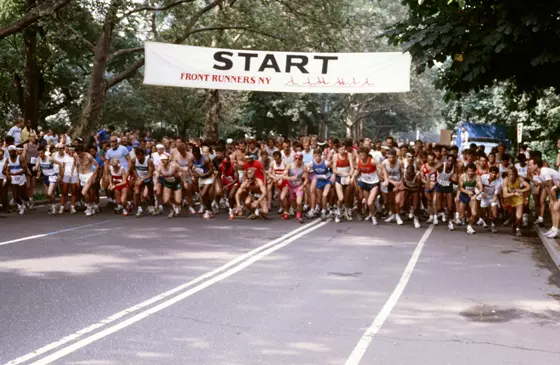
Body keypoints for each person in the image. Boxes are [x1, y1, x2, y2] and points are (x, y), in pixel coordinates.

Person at [353, 147, 380, 225]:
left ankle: (374, 217)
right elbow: (357, 170)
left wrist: (384, 178)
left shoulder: (372, 161)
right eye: (360, 155)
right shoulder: (359, 161)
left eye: (363, 155)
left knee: (370, 202)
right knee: (368, 203)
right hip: (365, 183)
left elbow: (382, 167)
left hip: (374, 183)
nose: (362, 157)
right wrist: (354, 177)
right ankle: (370, 214)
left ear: (367, 155)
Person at [502, 168, 531, 236]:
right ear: (507, 175)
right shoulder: (505, 180)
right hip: (509, 198)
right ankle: (514, 224)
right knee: (512, 215)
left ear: (516, 175)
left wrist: (521, 191)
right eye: (510, 174)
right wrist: (514, 193)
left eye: (513, 174)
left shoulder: (519, 178)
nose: (512, 176)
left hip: (518, 198)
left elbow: (529, 187)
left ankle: (518, 228)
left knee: (519, 216)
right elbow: (504, 195)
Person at [35, 146, 63, 214]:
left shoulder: (50, 159)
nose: (40, 155)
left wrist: (59, 174)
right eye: (39, 153)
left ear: (44, 152)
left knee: (49, 193)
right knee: (48, 195)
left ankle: (54, 206)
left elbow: (60, 164)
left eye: (41, 153)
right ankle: (53, 206)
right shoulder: (39, 158)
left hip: (52, 177)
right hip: (45, 177)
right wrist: (37, 170)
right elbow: (37, 167)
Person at [308, 148, 333, 221]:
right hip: (319, 181)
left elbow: (333, 170)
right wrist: (308, 170)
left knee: (324, 195)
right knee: (319, 200)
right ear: (313, 156)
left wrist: (332, 181)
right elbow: (307, 171)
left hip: (327, 181)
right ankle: (321, 208)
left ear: (321, 155)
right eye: (316, 156)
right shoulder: (311, 163)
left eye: (319, 156)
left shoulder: (326, 163)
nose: (317, 158)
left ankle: (324, 211)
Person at [3, 145, 30, 215]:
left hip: (21, 178)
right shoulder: (7, 159)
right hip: (13, 178)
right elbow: (4, 170)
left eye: (12, 152)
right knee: (15, 196)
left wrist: (16, 173)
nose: (11, 153)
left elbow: (24, 170)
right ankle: (22, 206)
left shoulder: (20, 158)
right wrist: (8, 174)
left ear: (15, 151)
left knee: (22, 195)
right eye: (9, 152)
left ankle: (27, 200)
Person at [333, 140, 355, 222]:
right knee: (341, 198)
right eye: (340, 150)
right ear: (338, 150)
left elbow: (352, 167)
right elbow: (334, 170)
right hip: (339, 178)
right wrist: (342, 173)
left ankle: (346, 212)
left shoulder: (349, 155)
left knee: (347, 198)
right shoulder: (335, 156)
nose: (342, 151)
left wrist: (349, 175)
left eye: (343, 149)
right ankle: (338, 212)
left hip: (347, 178)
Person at [458, 163, 483, 234]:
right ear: (466, 171)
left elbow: (481, 188)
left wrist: (476, 195)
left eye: (472, 171)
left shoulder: (477, 177)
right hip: (463, 195)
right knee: (461, 216)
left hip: (472, 196)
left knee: (474, 214)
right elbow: (460, 188)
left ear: (475, 171)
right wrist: (467, 192)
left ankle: (469, 226)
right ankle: (464, 214)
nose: (470, 173)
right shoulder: (463, 176)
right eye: (469, 171)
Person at [191, 146, 216, 219]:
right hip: (201, 179)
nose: (196, 156)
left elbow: (211, 170)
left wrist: (203, 175)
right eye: (194, 154)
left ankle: (208, 210)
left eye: (197, 154)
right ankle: (210, 210)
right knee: (205, 196)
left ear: (199, 153)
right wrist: (192, 174)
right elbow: (189, 167)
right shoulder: (192, 159)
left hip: (208, 178)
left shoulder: (206, 159)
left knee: (203, 194)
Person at [130, 147, 155, 217]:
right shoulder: (134, 160)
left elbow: (150, 174)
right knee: (137, 192)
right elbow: (133, 169)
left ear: (144, 155)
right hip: (139, 178)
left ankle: (152, 206)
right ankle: (139, 208)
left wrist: (142, 179)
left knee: (147, 195)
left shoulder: (149, 161)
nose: (139, 157)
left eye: (141, 155)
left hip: (148, 178)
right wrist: (138, 177)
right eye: (138, 155)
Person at [434, 154, 457, 231]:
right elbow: (430, 173)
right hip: (439, 184)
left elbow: (456, 181)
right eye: (449, 160)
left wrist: (452, 180)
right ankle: (436, 215)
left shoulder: (454, 168)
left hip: (448, 185)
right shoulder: (441, 165)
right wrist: (428, 183)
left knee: (450, 206)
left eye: (452, 161)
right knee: (438, 207)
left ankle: (450, 223)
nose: (450, 163)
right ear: (446, 160)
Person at [75, 144, 99, 216]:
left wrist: (92, 176)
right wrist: (78, 178)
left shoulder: (88, 156)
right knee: (87, 194)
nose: (79, 155)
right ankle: (92, 205)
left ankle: (89, 207)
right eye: (77, 153)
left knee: (84, 192)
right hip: (81, 175)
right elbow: (77, 166)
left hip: (88, 174)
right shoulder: (75, 156)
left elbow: (97, 165)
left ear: (83, 151)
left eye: (80, 153)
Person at [284, 152, 308, 223]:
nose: (297, 160)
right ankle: (291, 209)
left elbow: (306, 179)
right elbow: (283, 176)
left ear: (301, 159)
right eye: (296, 158)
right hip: (291, 187)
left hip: (299, 186)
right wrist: (290, 178)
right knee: (293, 202)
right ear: (294, 158)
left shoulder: (303, 167)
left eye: (299, 159)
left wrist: (303, 186)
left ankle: (299, 216)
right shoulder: (289, 166)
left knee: (299, 202)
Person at [478, 166, 501, 233]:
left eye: (495, 173)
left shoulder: (498, 183)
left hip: (492, 197)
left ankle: (493, 225)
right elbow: (477, 185)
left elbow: (496, 195)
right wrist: (481, 193)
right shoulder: (483, 177)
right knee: (482, 211)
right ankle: (482, 219)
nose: (493, 175)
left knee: (494, 213)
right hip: (483, 196)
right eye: (492, 173)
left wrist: (492, 204)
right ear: (489, 172)